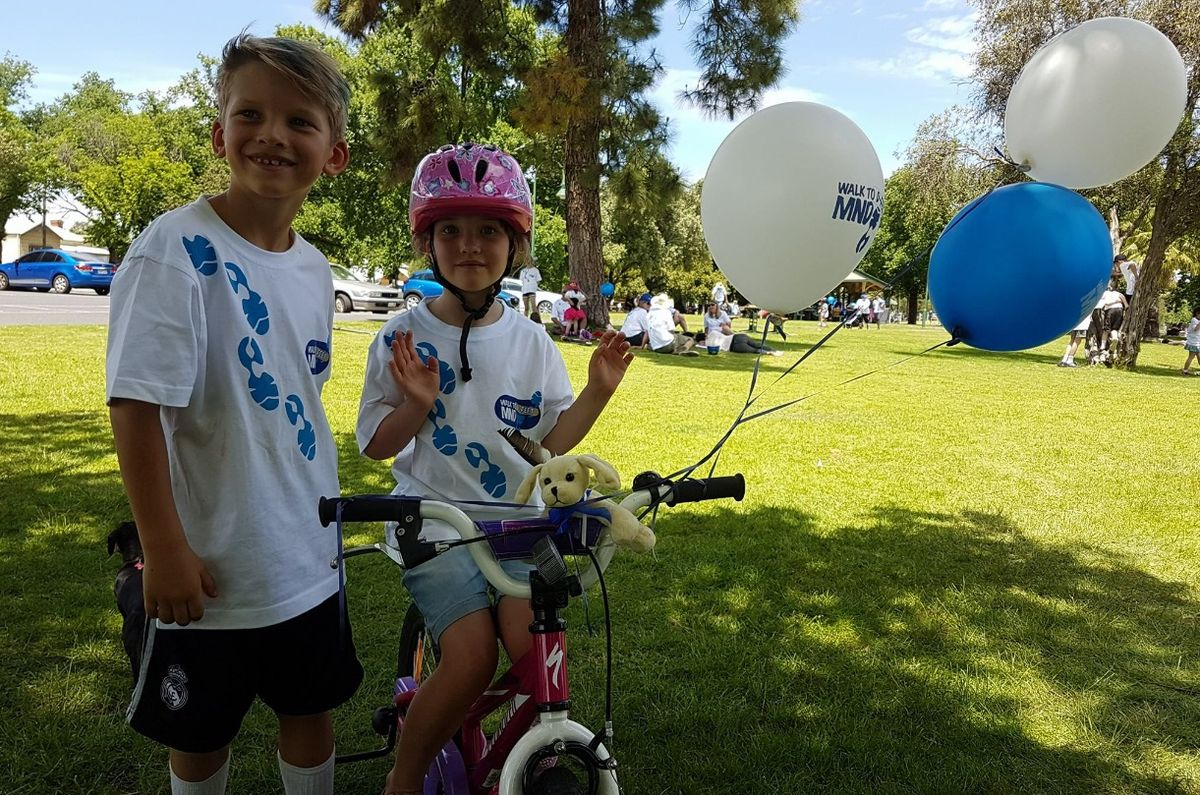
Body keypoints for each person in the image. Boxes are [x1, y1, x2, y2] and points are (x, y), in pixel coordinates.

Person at [105, 34, 361, 795]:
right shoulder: (173, 250)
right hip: (208, 568)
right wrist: (164, 544)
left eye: (301, 121)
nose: (273, 134)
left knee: (309, 712)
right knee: (200, 735)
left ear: (334, 153)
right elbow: (136, 405)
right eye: (250, 113)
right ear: (220, 134)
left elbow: (298, 402)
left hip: (308, 555)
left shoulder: (316, 268)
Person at [356, 143, 633, 795]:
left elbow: (548, 448)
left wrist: (597, 391)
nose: (469, 246)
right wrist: (417, 403)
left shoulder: (532, 341)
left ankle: (519, 753)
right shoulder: (400, 338)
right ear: (428, 243)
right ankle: (405, 775)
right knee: (473, 655)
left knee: (540, 649)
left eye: (488, 230)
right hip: (435, 524)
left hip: (515, 528)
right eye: (449, 229)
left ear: (515, 243)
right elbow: (374, 443)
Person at [1183, 306, 1200, 375]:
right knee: (1191, 357)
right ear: (1197, 313)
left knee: (1199, 357)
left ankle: (1185, 370)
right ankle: (1185, 370)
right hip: (1194, 343)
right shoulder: (1194, 320)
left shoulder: (1197, 321)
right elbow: (1195, 329)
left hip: (1197, 342)